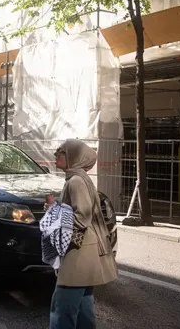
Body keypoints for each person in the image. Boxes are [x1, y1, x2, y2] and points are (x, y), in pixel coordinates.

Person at [49, 139, 118, 329]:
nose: (56, 155)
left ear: (73, 158)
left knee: (61, 309)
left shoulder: (76, 181)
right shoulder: (78, 178)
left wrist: (55, 215)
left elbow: (82, 217)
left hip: (78, 253)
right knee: (83, 309)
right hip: (86, 252)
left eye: (60, 152)